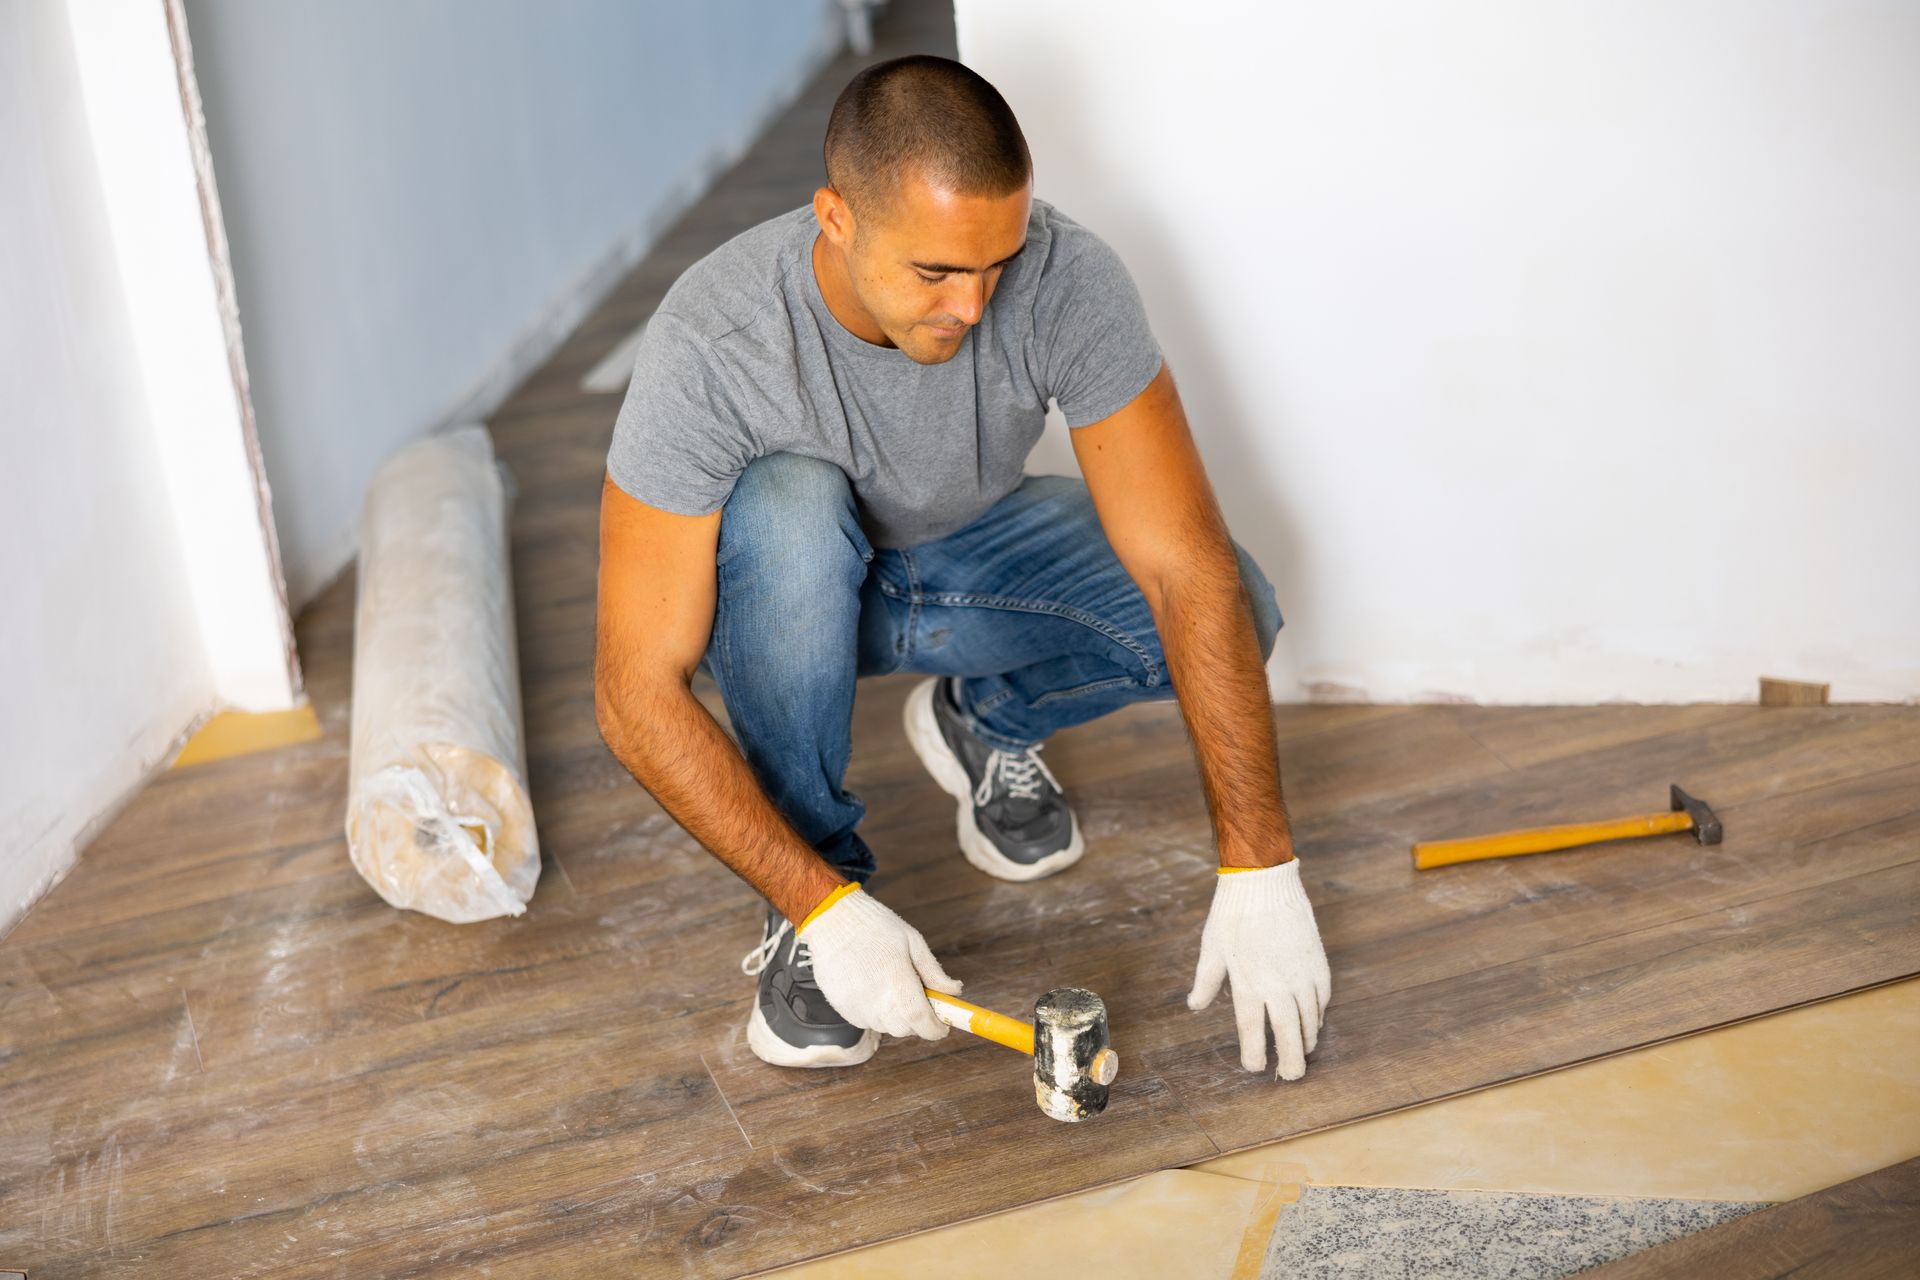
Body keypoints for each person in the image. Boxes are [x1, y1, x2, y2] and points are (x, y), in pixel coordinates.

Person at [594, 54, 1330, 1081]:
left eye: (996, 263)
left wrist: (1261, 864)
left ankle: (983, 722)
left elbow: (1184, 569)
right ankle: (814, 904)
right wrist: (826, 908)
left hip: (967, 563)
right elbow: (633, 690)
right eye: (935, 272)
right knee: (790, 502)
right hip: (789, 592)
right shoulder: (714, 340)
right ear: (836, 218)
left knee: (1240, 606)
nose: (975, 306)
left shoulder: (1067, 278)